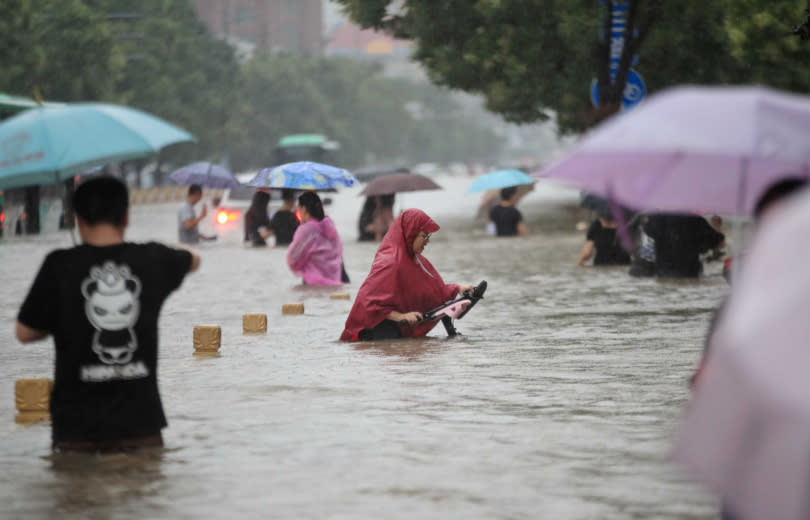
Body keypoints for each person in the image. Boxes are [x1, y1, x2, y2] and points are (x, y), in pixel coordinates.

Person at [14, 176, 200, 453]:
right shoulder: (152, 259)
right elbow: (194, 259)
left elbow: (25, 333)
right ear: (126, 216)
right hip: (141, 430)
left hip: (75, 433)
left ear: (77, 218)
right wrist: (159, 248)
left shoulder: (58, 264)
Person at [340, 209, 473, 341]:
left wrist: (458, 289)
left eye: (429, 236)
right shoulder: (390, 261)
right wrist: (401, 317)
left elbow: (433, 291)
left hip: (398, 332)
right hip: (378, 333)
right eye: (424, 235)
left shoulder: (417, 260)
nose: (427, 241)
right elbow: (368, 303)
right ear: (411, 233)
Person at [286, 191, 344, 286]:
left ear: (304, 209)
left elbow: (293, 258)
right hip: (335, 282)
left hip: (313, 283)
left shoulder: (306, 229)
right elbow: (338, 251)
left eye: (298, 209)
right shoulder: (330, 226)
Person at [642, 213, 725, 278]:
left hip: (662, 273)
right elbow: (718, 242)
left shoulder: (658, 219)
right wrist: (717, 226)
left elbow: (646, 229)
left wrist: (653, 215)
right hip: (689, 274)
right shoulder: (696, 220)